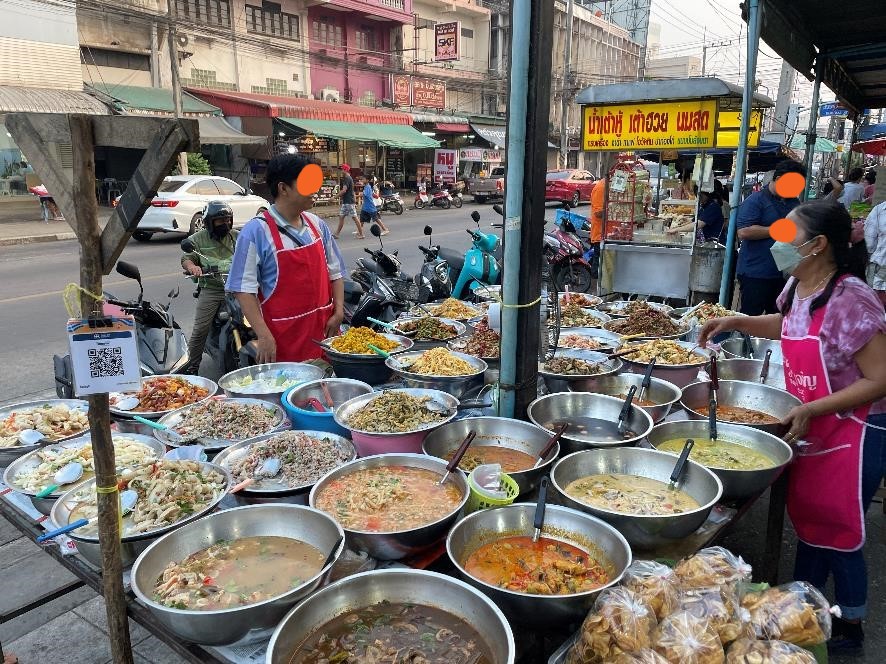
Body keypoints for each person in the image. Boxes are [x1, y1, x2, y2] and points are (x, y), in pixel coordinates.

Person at [700, 199, 886, 655]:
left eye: (788, 234)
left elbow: (881, 377)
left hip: (855, 430)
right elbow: (785, 324)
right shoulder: (798, 286)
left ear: (818, 244)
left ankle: (850, 626)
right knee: (809, 521)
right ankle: (804, 608)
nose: (778, 242)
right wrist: (739, 319)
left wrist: (817, 406)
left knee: (840, 531)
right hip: (813, 423)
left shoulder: (851, 300)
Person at [226, 154, 345, 363]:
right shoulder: (256, 231)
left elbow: (336, 271)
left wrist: (339, 311)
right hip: (284, 340)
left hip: (326, 334)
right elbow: (243, 289)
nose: (315, 189)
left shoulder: (317, 225)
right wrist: (263, 334)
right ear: (283, 188)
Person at [735, 159, 807, 315]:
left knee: (779, 316)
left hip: (784, 272)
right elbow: (744, 232)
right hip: (756, 272)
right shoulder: (755, 200)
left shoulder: (793, 202)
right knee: (750, 318)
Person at [180, 201, 238, 374]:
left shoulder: (237, 236)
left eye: (228, 220)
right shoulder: (197, 239)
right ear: (209, 223)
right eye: (220, 221)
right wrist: (193, 267)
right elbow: (187, 258)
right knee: (199, 330)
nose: (225, 224)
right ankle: (191, 368)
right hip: (212, 289)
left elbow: (251, 254)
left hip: (237, 288)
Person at [865, 198, 886, 308]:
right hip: (880, 274)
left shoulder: (879, 210)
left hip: (880, 273)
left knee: (877, 310)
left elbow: (869, 245)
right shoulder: (879, 210)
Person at [335, 164, 359, 239]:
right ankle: (337, 234)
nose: (341, 171)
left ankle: (361, 234)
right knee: (341, 217)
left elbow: (344, 190)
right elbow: (352, 190)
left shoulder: (347, 178)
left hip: (349, 202)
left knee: (355, 218)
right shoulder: (348, 178)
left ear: (345, 170)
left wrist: (334, 197)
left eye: (342, 169)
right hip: (346, 201)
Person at [589, 176, 606, 276]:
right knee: (598, 263)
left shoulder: (605, 186)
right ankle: (595, 287)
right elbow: (598, 213)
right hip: (600, 233)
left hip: (604, 232)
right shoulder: (600, 188)